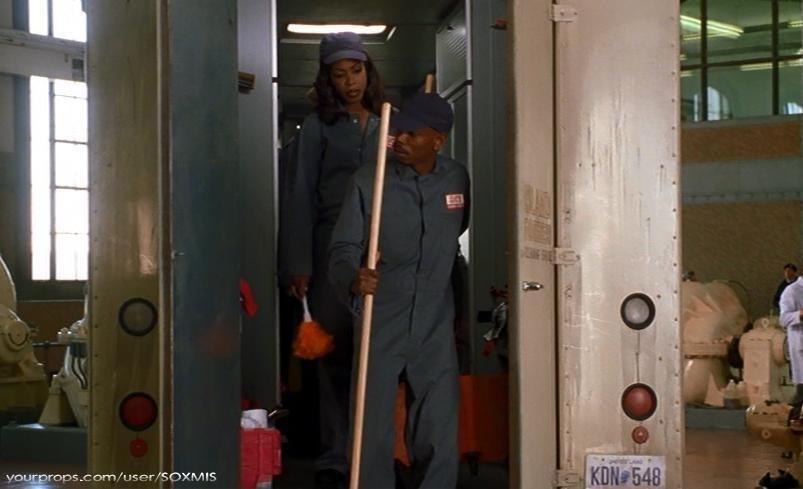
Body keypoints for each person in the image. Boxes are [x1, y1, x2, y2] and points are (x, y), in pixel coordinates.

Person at [329, 93, 470, 488]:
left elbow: (456, 232)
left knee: (438, 427)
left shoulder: (456, 178)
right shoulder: (367, 181)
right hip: (381, 315)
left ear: (438, 140)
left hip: (434, 319)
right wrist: (354, 277)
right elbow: (341, 249)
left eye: (411, 133)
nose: (399, 140)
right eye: (396, 132)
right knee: (371, 428)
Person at [281, 31, 385, 489]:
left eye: (356, 71)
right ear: (328, 79)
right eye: (340, 75)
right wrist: (298, 262)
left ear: (368, 70)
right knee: (334, 356)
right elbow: (300, 194)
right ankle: (334, 458)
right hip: (327, 251)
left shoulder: (389, 120)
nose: (351, 82)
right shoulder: (318, 126)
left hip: (380, 249)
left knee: (381, 354)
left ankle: (378, 452)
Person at [780, 273, 803, 422]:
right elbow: (783, 319)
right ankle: (791, 424)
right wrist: (800, 314)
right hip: (801, 346)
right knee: (802, 390)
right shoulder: (792, 291)